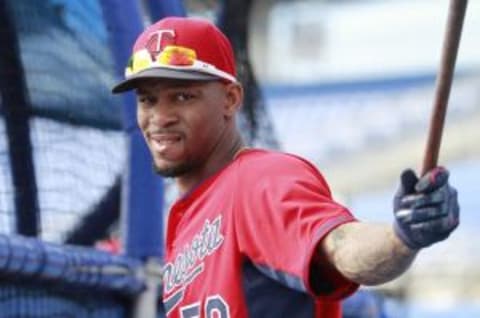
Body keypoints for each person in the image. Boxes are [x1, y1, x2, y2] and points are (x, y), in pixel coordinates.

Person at [112, 16, 459, 318]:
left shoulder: (259, 181)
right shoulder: (189, 214)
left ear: (230, 99)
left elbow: (341, 246)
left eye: (183, 96)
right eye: (148, 100)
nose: (160, 117)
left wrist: (400, 238)